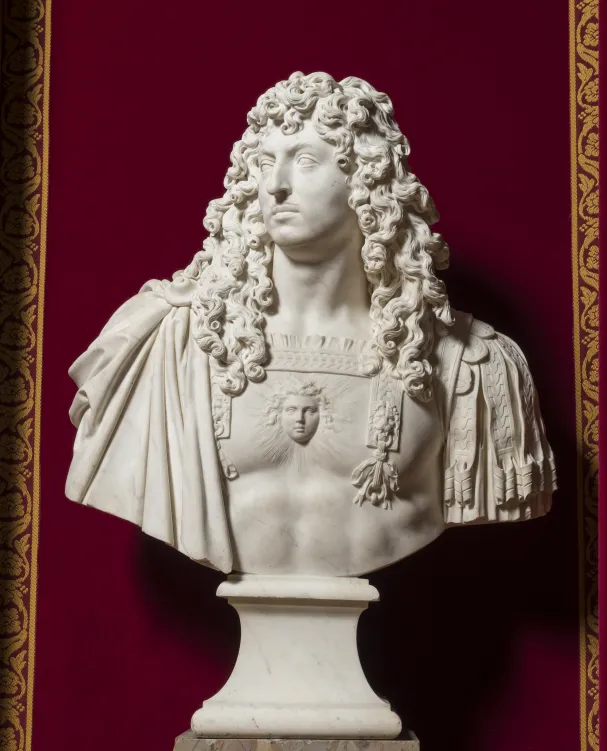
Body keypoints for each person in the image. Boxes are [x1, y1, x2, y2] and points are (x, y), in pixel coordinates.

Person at [66, 72, 556, 577]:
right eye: (264, 163)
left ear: (367, 182)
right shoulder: (168, 341)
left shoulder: (468, 363)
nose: (276, 185)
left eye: (304, 161)